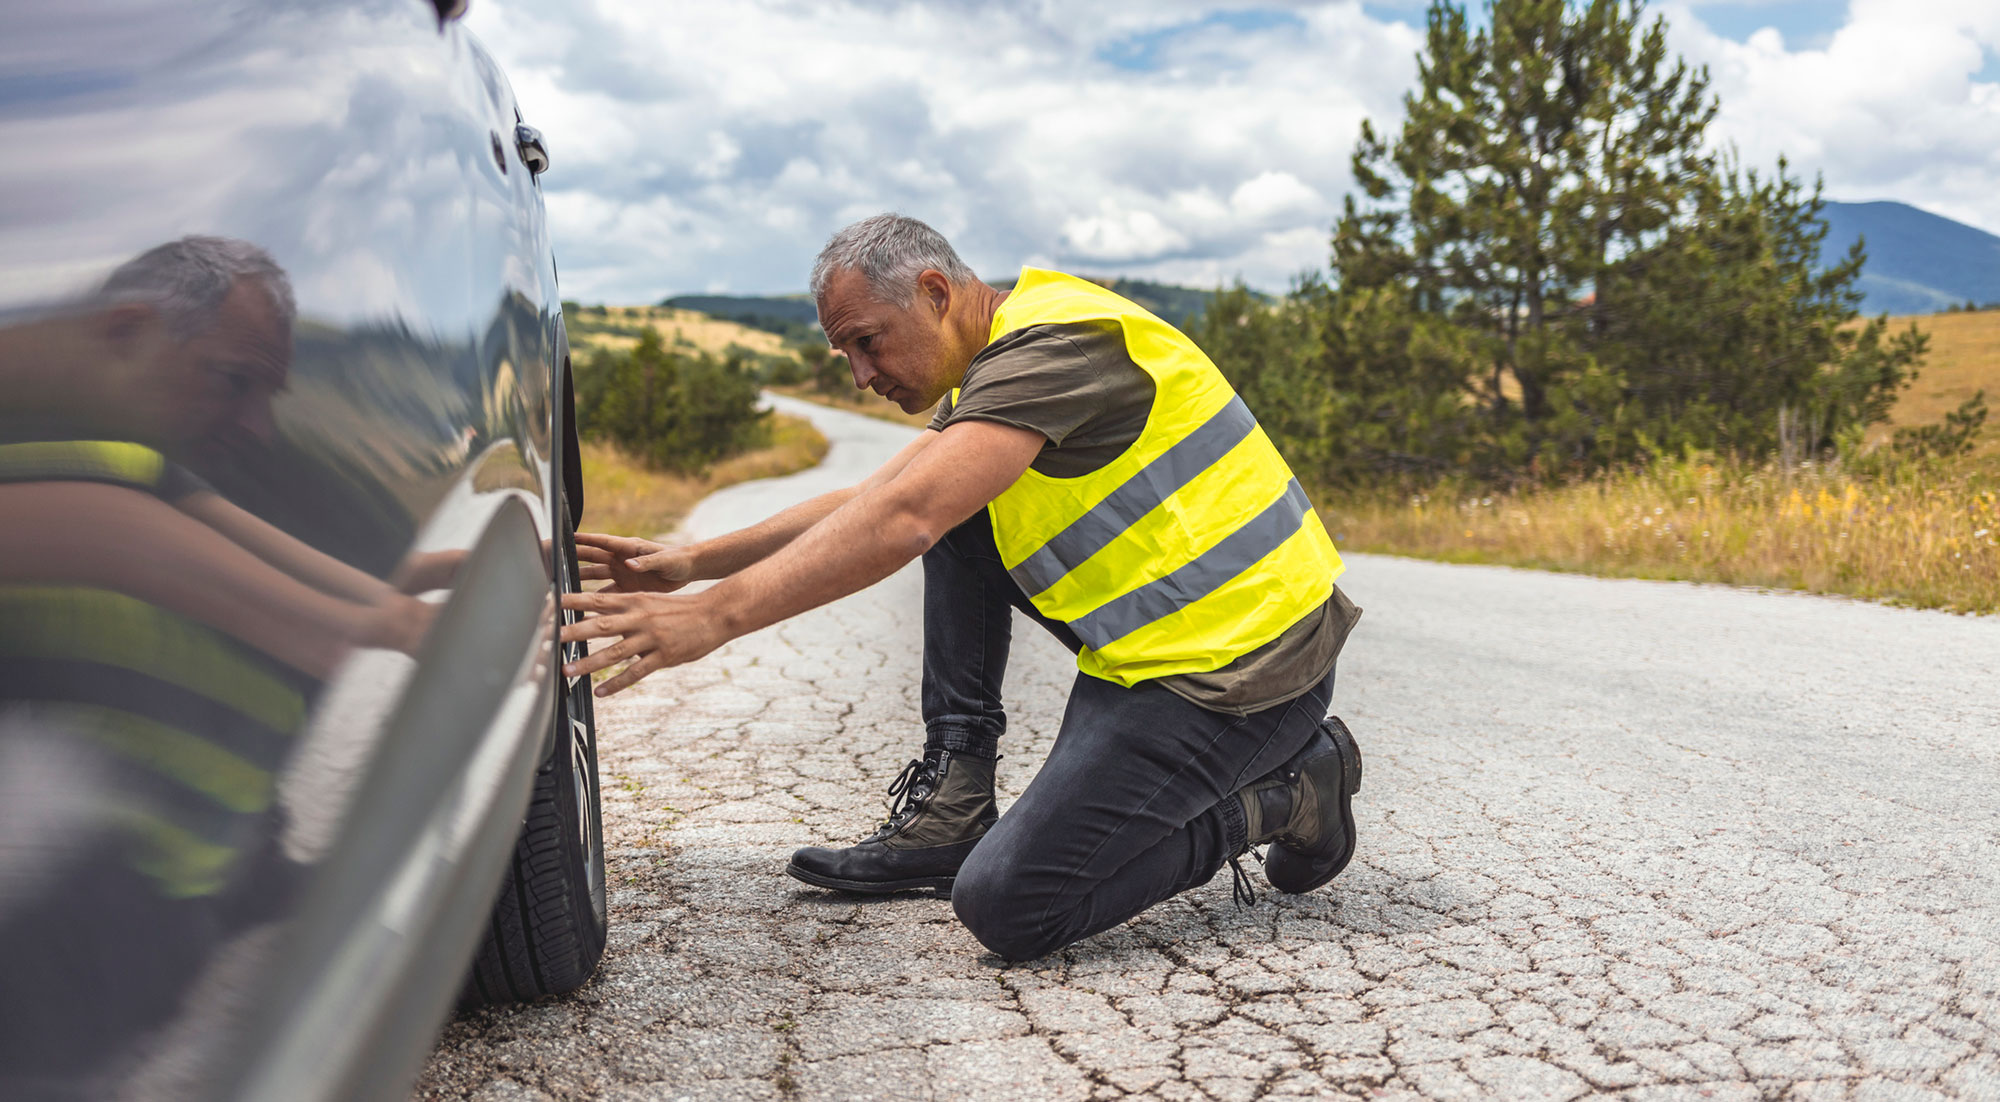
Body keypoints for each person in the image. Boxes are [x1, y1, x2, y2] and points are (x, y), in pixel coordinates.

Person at [561, 213, 1364, 961]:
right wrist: (693, 563)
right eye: (848, 356)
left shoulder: (1057, 347)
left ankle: (1289, 791)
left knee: (1013, 904)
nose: (861, 375)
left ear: (935, 293)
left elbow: (904, 517)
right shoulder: (998, 362)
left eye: (868, 342)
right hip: (1151, 659)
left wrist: (713, 617)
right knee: (955, 505)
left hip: (1247, 672)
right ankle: (954, 800)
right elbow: (873, 501)